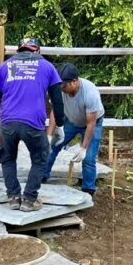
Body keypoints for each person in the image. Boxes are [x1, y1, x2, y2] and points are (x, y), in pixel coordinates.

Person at [0, 37, 65, 212]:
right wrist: (59, 125)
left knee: (7, 158)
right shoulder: (47, 67)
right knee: (40, 158)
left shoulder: (5, 66)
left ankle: (14, 198)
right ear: (37, 51)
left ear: (19, 50)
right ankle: (29, 200)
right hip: (34, 124)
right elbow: (57, 100)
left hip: (8, 124)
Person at [44, 63, 105, 199]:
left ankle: (88, 190)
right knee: (52, 146)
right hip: (71, 120)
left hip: (91, 123)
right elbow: (55, 111)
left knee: (88, 159)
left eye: (64, 86)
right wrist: (49, 135)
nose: (62, 89)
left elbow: (91, 123)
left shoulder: (90, 94)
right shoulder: (60, 90)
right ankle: (42, 176)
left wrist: (83, 149)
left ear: (74, 81)